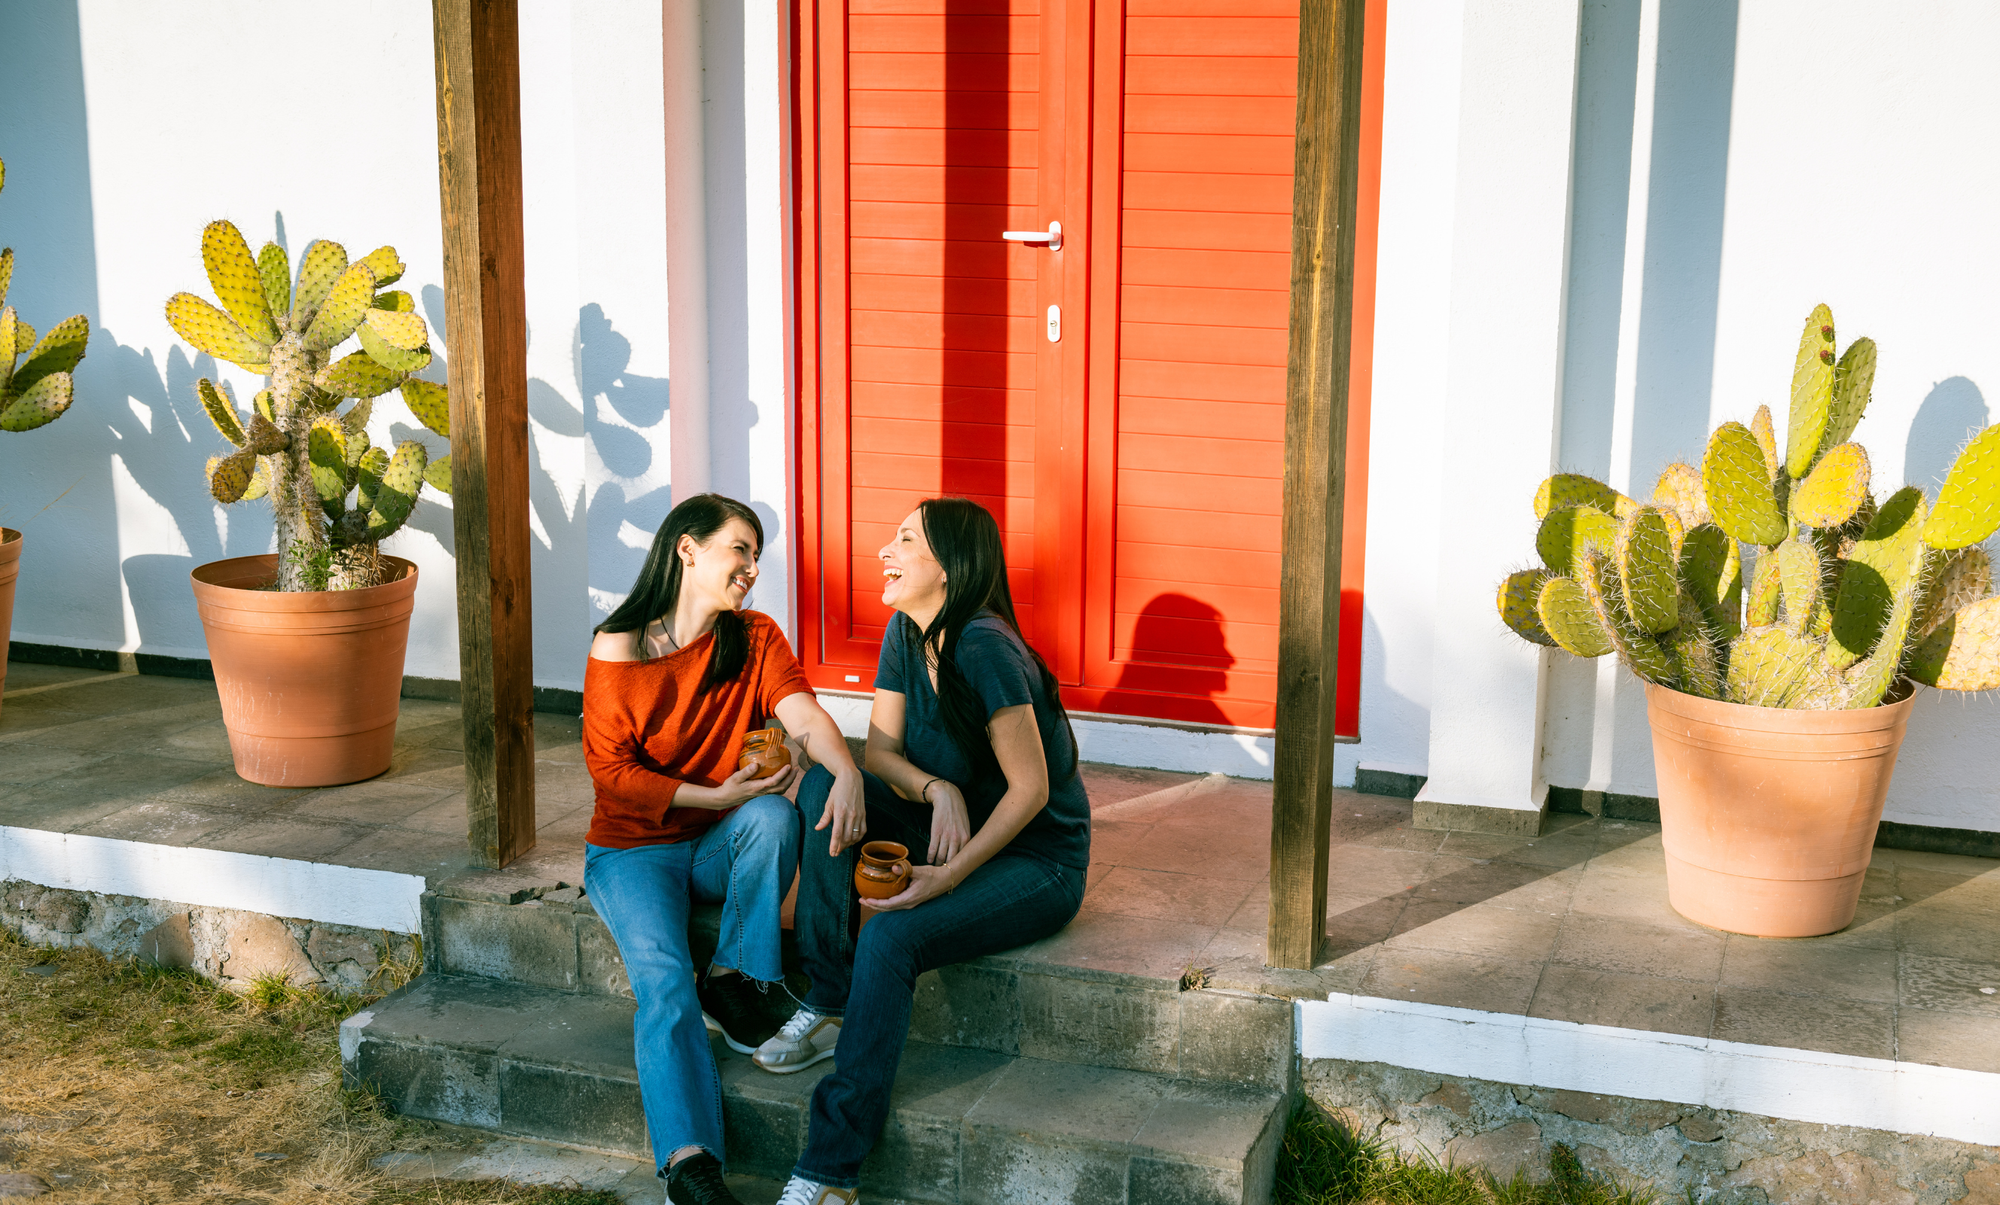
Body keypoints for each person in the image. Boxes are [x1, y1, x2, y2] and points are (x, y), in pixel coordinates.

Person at [762, 497, 1091, 1205]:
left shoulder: (983, 644)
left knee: (894, 939)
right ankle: (830, 998)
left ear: (950, 567)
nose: (886, 549)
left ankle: (829, 1170)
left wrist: (945, 880)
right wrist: (937, 787)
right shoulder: (906, 632)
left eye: (905, 539)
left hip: (1037, 858)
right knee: (827, 785)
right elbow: (879, 751)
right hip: (959, 821)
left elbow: (1031, 791)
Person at [582, 493, 864, 1205]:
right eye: (739, 547)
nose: (751, 566)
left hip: (714, 845)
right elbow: (611, 774)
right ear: (686, 548)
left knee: (772, 815)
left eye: (756, 554)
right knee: (665, 982)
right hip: (631, 852)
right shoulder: (618, 643)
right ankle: (690, 1164)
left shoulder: (756, 636)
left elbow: (805, 717)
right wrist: (712, 797)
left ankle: (737, 977)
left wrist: (849, 769)